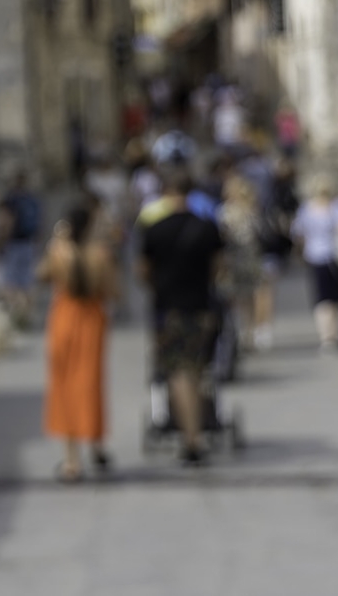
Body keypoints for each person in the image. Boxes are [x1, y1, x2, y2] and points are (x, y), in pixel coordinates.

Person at [139, 170, 224, 465]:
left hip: (169, 309)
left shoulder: (155, 229)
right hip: (202, 307)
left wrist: (160, 289)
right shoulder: (207, 227)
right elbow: (218, 268)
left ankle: (191, 439)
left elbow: (143, 272)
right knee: (199, 370)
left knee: (177, 373)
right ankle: (197, 428)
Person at [39, 199, 118, 482]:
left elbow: (43, 275)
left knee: (64, 385)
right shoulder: (100, 254)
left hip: (64, 318)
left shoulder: (60, 252)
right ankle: (96, 445)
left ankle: (73, 460)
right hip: (91, 320)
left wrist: (55, 243)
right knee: (90, 382)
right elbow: (112, 291)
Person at [293, 179, 338, 351]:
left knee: (326, 298)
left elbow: (298, 233)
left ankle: (329, 334)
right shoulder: (335, 208)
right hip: (327, 257)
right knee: (329, 299)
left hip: (323, 257)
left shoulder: (309, 209)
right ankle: (330, 334)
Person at [253, 158, 299, 350]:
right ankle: (262, 328)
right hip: (270, 249)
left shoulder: (271, 194)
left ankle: (259, 327)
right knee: (265, 291)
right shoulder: (284, 195)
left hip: (266, 249)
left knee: (262, 291)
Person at [216, 174, 262, 354]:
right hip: (249, 259)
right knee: (248, 298)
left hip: (233, 260)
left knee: (232, 298)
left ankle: (236, 334)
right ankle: (248, 334)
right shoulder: (251, 211)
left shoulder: (225, 212)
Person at [0, 171, 43, 328]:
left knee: (11, 282)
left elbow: (6, 222)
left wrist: (1, 241)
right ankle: (27, 316)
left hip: (14, 243)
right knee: (27, 281)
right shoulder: (31, 199)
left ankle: (17, 318)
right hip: (28, 243)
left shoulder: (11, 199)